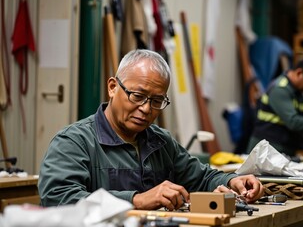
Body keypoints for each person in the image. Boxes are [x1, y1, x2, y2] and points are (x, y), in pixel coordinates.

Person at [38, 49, 263, 210]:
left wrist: (231, 181)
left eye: (157, 101)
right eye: (137, 96)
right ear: (112, 88)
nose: (146, 109)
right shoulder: (74, 142)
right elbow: (58, 198)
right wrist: (136, 200)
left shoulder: (161, 142)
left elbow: (201, 178)